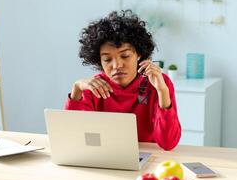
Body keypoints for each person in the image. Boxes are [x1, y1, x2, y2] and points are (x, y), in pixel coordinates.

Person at [64, 10, 181, 151]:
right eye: (107, 59)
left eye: (125, 56)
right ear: (99, 61)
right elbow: (72, 139)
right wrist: (76, 89)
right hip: (104, 157)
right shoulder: (93, 87)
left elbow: (168, 143)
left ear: (139, 54)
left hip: (147, 159)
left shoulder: (157, 82)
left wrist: (162, 91)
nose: (117, 65)